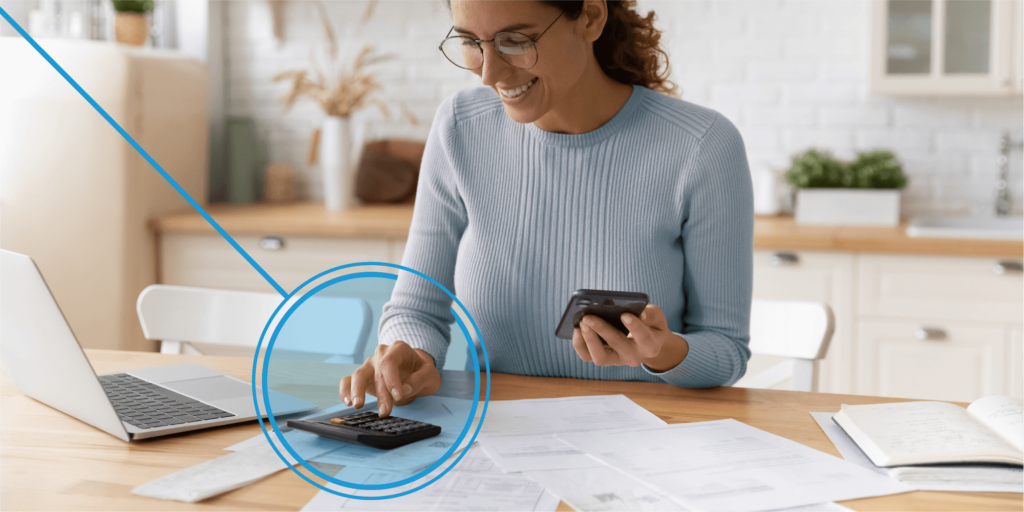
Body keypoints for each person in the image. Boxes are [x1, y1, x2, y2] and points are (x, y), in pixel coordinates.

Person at [340, 0, 753, 417]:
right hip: (498, 433)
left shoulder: (702, 145)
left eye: (515, 40)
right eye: (469, 41)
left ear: (590, 18)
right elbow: (416, 309)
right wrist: (412, 354)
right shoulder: (460, 128)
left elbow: (725, 348)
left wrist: (661, 350)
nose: (489, 73)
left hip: (648, 434)